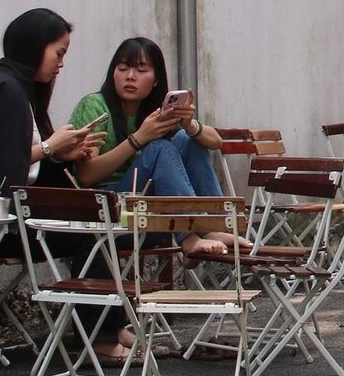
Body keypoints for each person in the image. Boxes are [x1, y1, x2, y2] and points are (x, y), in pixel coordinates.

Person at [66, 37, 244, 258]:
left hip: (153, 216)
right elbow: (86, 176)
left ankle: (215, 226)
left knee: (186, 139)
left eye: (141, 70)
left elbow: (216, 142)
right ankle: (190, 238)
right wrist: (138, 139)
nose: (130, 76)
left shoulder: (157, 112)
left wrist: (189, 124)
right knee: (159, 147)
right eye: (122, 68)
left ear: (156, 79)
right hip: (109, 213)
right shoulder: (94, 106)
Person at [0, 9, 102, 195]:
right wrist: (51, 146)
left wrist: (57, 153)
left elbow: (17, 157)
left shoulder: (13, 86)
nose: (61, 63)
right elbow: (7, 162)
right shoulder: (7, 89)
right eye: (59, 54)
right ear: (36, 46)